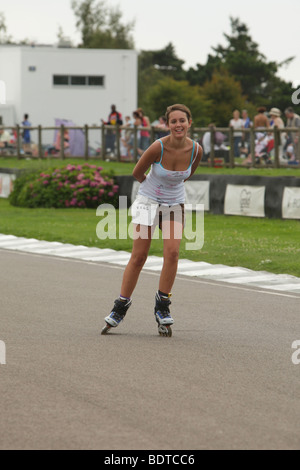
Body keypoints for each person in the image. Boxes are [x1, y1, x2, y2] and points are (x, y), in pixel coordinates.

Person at [101, 103, 203, 336]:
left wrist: (169, 191)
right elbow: (137, 173)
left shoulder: (196, 150)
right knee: (139, 256)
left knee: (173, 253)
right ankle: (120, 306)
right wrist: (154, 187)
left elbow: (187, 175)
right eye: (173, 121)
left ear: (189, 123)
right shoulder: (158, 147)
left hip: (174, 204)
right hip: (148, 202)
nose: (178, 125)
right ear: (167, 125)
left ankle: (162, 306)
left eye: (182, 121)